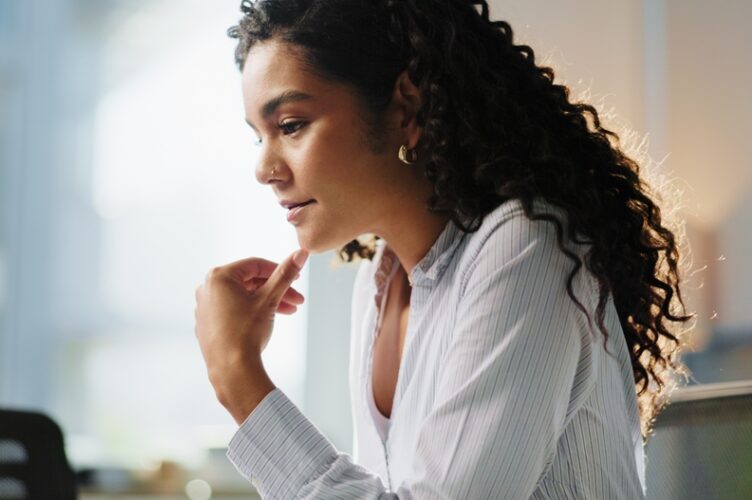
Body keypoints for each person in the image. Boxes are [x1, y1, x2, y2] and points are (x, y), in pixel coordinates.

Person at [193, 0, 694, 498]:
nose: (264, 168)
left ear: (405, 107)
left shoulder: (526, 248)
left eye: (290, 125)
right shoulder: (378, 283)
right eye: (258, 136)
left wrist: (240, 379)